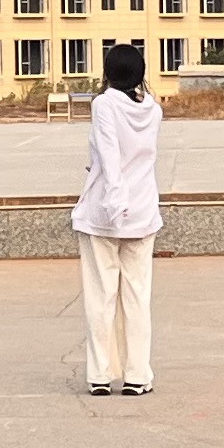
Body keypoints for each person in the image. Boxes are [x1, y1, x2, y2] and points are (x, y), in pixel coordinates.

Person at [73, 39, 162, 396]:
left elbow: (111, 158)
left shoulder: (104, 105)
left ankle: (99, 375)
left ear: (108, 73)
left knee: (101, 295)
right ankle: (137, 375)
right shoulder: (153, 111)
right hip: (142, 210)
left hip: (106, 213)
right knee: (137, 296)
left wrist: (113, 203)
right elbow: (134, 157)